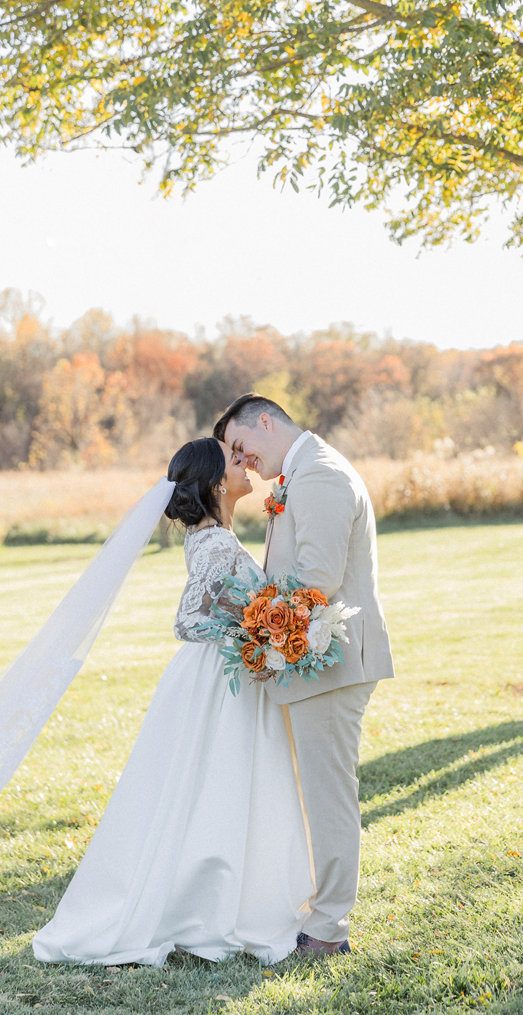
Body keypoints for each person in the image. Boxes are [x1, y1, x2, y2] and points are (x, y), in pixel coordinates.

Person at [32, 437, 314, 968]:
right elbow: (187, 621)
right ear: (214, 484)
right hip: (215, 682)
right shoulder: (214, 544)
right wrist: (252, 629)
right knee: (217, 784)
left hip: (225, 675)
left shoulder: (217, 536)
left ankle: (224, 895)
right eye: (235, 460)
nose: (245, 463)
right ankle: (211, 906)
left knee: (216, 787)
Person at [214, 394, 394, 959]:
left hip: (333, 662)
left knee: (328, 794)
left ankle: (328, 930)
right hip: (315, 661)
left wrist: (258, 625)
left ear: (266, 421)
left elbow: (317, 575)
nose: (241, 461)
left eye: (242, 446)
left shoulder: (319, 475)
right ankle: (313, 909)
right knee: (315, 791)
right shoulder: (301, 473)